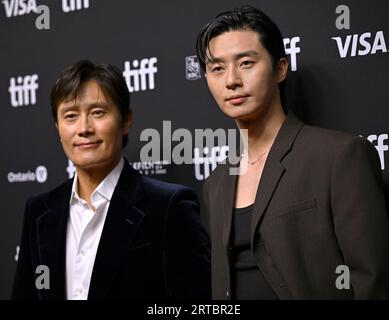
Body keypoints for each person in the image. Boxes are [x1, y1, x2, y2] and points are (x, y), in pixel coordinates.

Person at [196, 5, 389, 299]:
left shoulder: (340, 156)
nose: (231, 80)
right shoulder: (217, 182)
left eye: (246, 63)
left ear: (281, 69)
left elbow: (372, 282)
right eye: (217, 68)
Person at [11, 60, 211, 300]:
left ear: (125, 121)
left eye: (97, 112)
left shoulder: (169, 206)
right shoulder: (39, 210)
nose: (84, 128)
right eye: (71, 115)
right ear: (58, 128)